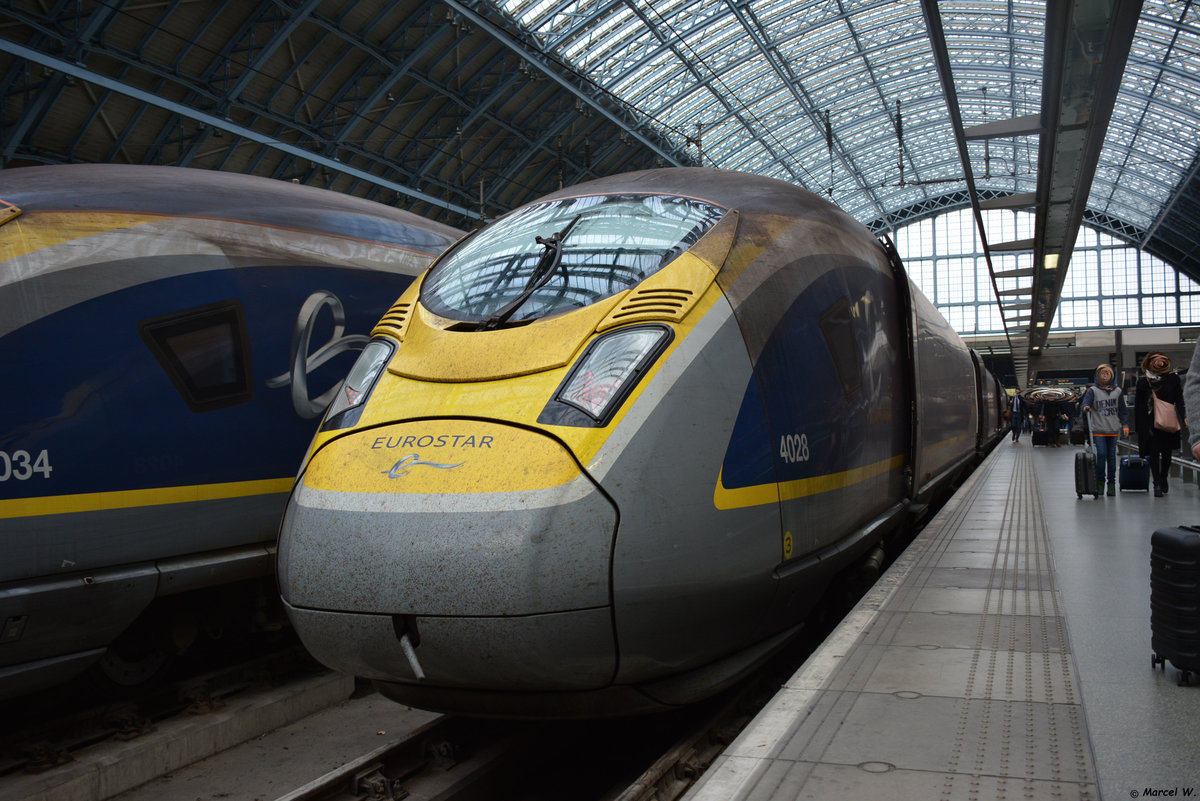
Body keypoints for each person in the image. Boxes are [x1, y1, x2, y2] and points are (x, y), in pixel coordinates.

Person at [1134, 351, 1186, 497]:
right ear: (1149, 363)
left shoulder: (1173, 379)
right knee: (1154, 453)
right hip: (1150, 423)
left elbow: (1179, 399)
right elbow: (1139, 406)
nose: (1159, 363)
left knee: (1168, 454)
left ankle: (1163, 476)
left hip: (1167, 421)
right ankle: (1156, 482)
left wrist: (1184, 416)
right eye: (1156, 361)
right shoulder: (1143, 382)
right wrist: (1138, 427)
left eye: (1162, 361)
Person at [1079, 364, 1130, 497]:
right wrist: (1086, 408)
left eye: (1107, 373)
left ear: (1111, 376)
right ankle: (1100, 482)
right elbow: (1085, 403)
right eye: (1102, 373)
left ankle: (1111, 484)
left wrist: (1125, 425)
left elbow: (1123, 411)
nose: (1105, 375)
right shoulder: (1093, 391)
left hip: (1113, 429)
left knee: (1112, 458)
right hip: (1099, 429)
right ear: (1098, 376)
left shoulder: (1117, 391)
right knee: (1101, 455)